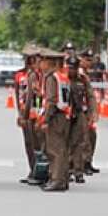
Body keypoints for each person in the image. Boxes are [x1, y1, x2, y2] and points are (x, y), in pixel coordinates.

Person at [40, 49, 72, 192]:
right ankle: (62, 179)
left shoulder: (51, 77)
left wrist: (45, 119)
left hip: (56, 116)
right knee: (62, 149)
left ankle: (57, 179)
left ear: (49, 62)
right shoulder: (62, 76)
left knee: (54, 150)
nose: (40, 64)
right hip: (64, 115)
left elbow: (51, 100)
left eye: (42, 61)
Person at [67, 55, 96, 183]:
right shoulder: (62, 78)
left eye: (74, 68)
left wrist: (92, 112)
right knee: (66, 142)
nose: (72, 70)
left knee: (79, 142)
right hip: (65, 114)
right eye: (70, 67)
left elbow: (90, 96)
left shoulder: (83, 79)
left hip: (79, 113)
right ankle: (67, 169)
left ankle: (78, 171)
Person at [16, 45, 40, 183]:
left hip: (34, 114)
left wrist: (24, 115)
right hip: (25, 113)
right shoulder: (20, 74)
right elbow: (18, 95)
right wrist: (20, 114)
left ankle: (39, 172)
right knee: (29, 144)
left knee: (37, 145)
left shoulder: (36, 75)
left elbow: (32, 96)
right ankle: (33, 170)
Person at [79, 48, 100, 174]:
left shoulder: (85, 73)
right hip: (79, 110)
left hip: (86, 110)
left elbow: (90, 95)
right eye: (86, 59)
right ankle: (82, 163)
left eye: (90, 60)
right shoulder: (79, 73)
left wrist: (93, 111)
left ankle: (87, 161)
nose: (89, 62)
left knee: (91, 136)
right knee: (84, 138)